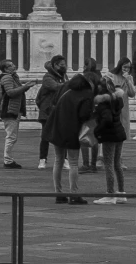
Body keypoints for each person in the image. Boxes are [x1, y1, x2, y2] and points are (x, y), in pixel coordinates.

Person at [48, 69, 95, 204]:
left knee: (58, 160)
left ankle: (58, 193)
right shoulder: (87, 94)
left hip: (57, 128)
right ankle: (74, 194)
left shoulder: (66, 89)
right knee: (73, 162)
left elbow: (54, 102)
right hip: (72, 130)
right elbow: (84, 115)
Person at [91, 76, 128, 202]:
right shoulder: (117, 99)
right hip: (119, 133)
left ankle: (110, 193)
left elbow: (107, 119)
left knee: (108, 164)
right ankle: (121, 192)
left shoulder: (103, 104)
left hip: (109, 135)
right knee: (117, 163)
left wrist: (97, 131)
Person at [35, 54, 67, 170]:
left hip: (59, 110)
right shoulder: (48, 77)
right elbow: (57, 87)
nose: (64, 67)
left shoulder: (62, 76)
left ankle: (64, 160)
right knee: (45, 137)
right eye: (62, 65)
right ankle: (42, 159)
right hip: (48, 111)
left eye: (65, 64)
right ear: (55, 65)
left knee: (63, 135)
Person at [0, 57, 29, 167]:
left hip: (13, 109)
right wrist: (25, 87)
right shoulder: (7, 78)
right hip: (10, 110)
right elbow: (10, 92)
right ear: (6, 68)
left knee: (12, 136)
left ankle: (8, 159)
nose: (14, 66)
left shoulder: (12, 77)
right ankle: (8, 160)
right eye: (11, 65)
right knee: (11, 136)